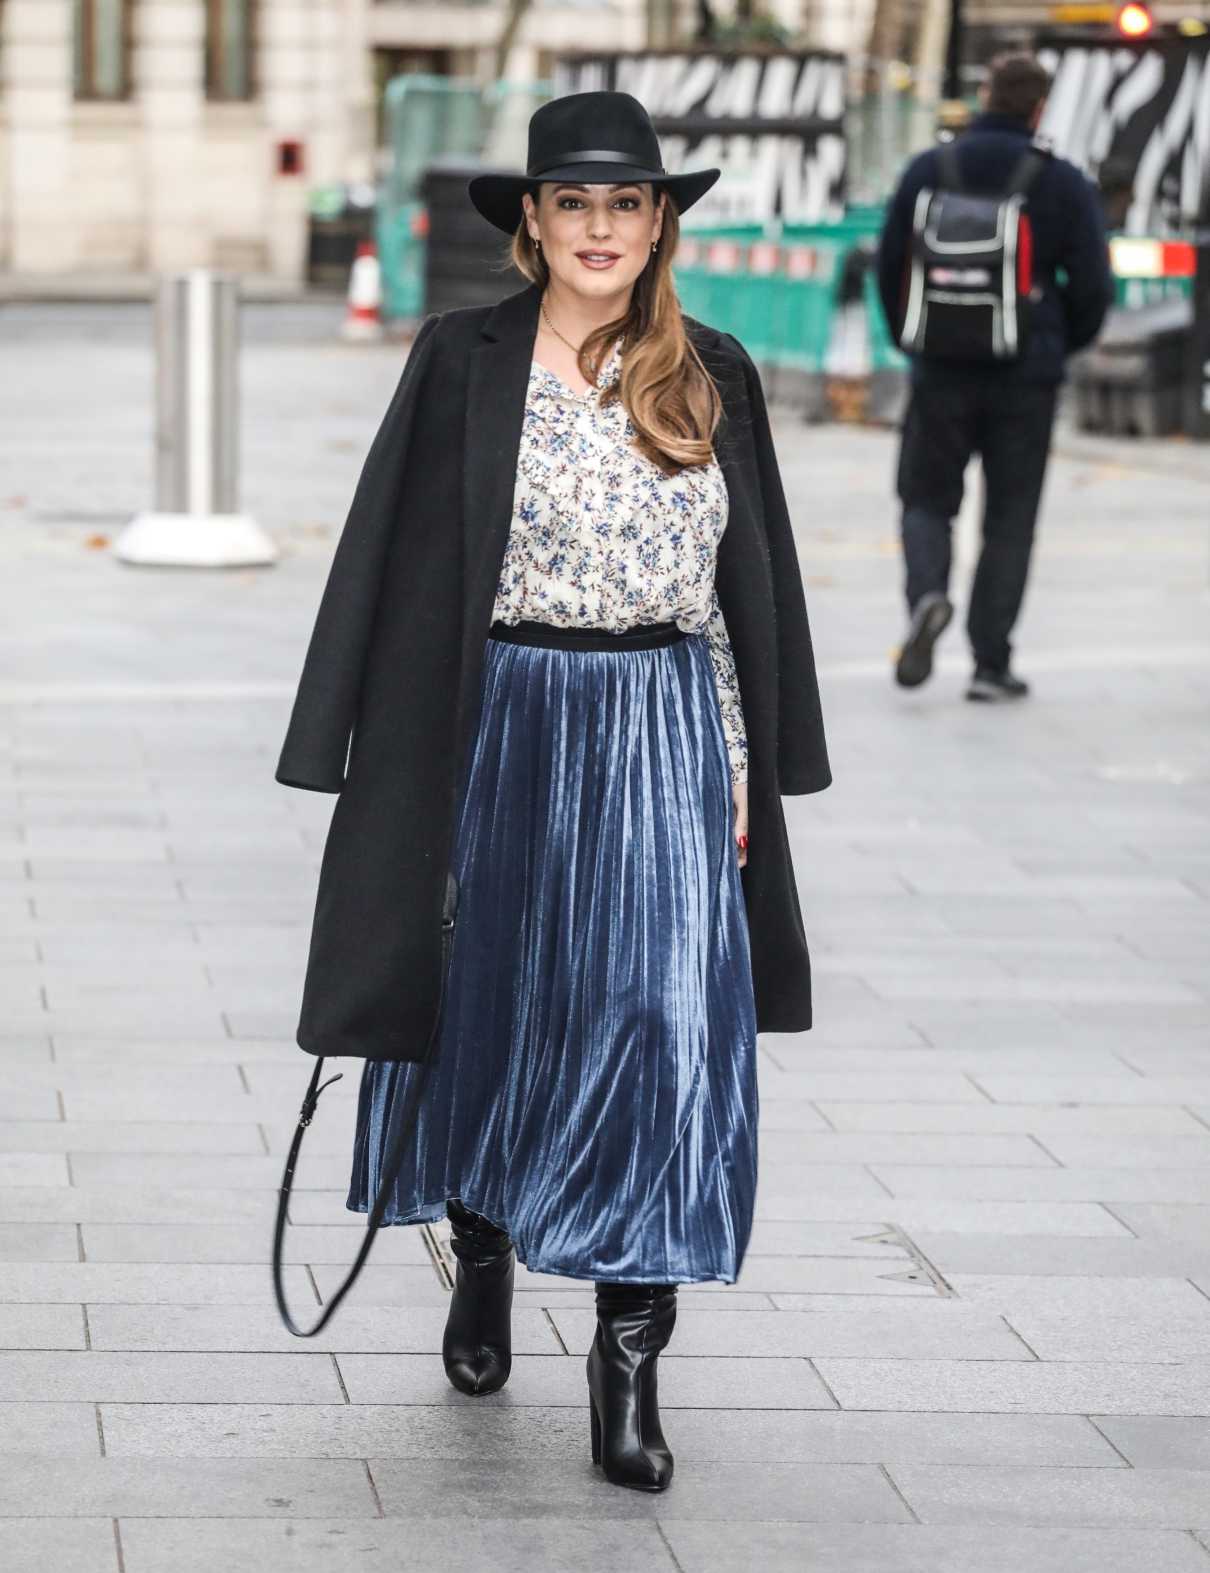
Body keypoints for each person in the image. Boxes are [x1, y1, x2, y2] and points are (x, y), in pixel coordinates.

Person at [273, 91, 830, 1493]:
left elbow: (736, 594)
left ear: (658, 224)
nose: (598, 228)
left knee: (654, 1032)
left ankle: (628, 1355)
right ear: (531, 220)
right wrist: (382, 759)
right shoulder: (461, 359)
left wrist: (746, 774)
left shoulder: (711, 369)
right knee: (492, 1009)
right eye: (571, 204)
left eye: (625, 205)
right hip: (498, 721)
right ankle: (481, 1242)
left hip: (658, 731)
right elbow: (392, 555)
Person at [877, 51, 1113, 700]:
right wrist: (1058, 343)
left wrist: (913, 339)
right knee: (1009, 516)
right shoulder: (1062, 182)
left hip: (940, 369)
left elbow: (890, 261)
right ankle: (990, 662)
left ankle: (927, 597)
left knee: (926, 499)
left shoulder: (930, 169)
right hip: (1026, 374)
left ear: (984, 93)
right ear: (1039, 108)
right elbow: (1094, 284)